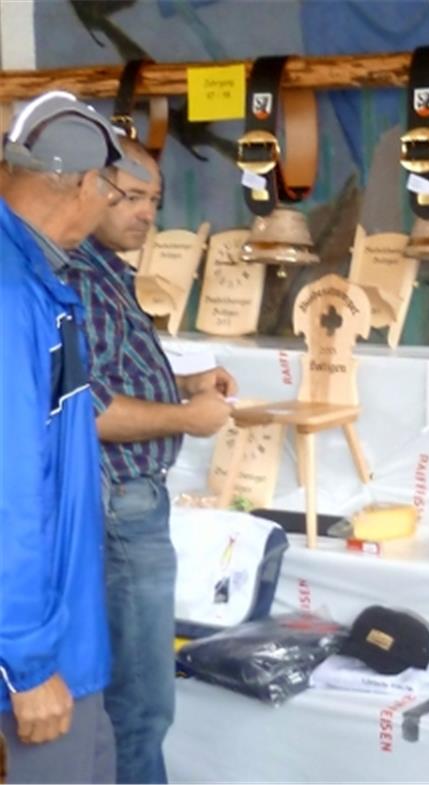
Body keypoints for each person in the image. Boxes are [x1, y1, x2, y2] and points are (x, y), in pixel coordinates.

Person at [58, 135, 237, 784]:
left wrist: (182, 385)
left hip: (128, 504)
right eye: (132, 196)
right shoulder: (78, 274)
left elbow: (106, 377)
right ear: (90, 188)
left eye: (153, 201)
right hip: (121, 506)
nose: (144, 214)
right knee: (139, 706)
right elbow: (90, 406)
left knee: (131, 705)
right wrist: (187, 417)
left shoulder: (105, 270)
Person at [0, 90, 150, 784]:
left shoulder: (37, 276)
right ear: (89, 183)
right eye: (117, 188)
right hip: (33, 669)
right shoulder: (8, 293)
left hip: (67, 641)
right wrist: (25, 665)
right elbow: (8, 492)